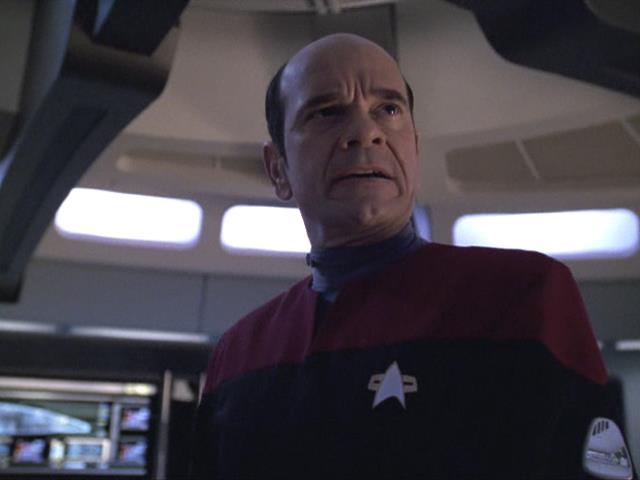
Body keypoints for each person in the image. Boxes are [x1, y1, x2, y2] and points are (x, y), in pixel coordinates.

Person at [193, 33, 631, 479]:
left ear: (414, 149)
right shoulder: (238, 353)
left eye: (388, 109)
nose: (366, 132)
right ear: (278, 169)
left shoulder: (525, 296)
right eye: (327, 112)